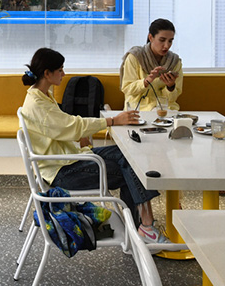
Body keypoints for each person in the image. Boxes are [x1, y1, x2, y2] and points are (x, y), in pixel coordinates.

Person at [19, 47, 170, 244]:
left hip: (67, 160)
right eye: (60, 70)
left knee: (128, 155)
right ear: (47, 73)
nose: (64, 74)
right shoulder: (38, 104)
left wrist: (84, 133)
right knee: (132, 167)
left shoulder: (39, 95)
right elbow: (72, 126)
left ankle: (137, 227)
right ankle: (145, 227)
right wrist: (112, 121)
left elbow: (63, 126)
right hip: (62, 173)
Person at [120, 18, 183, 111]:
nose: (166, 45)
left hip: (166, 110)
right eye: (162, 40)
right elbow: (127, 88)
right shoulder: (135, 57)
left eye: (170, 41)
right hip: (139, 110)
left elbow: (172, 99)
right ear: (150, 37)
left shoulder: (175, 62)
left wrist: (170, 87)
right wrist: (146, 81)